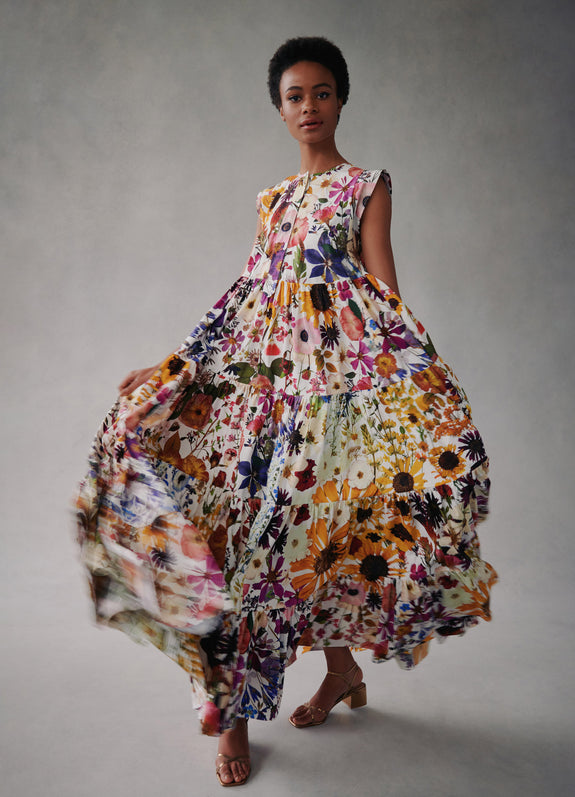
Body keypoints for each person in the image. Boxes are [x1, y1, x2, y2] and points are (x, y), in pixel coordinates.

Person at [75, 36, 498, 787]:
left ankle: (333, 675)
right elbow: (247, 302)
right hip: (268, 400)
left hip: (332, 407)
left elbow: (383, 296)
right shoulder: (271, 201)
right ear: (279, 108)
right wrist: (177, 366)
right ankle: (241, 709)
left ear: (341, 99)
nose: (309, 107)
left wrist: (418, 386)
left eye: (322, 92)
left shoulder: (366, 186)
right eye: (295, 96)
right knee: (247, 544)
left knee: (314, 544)